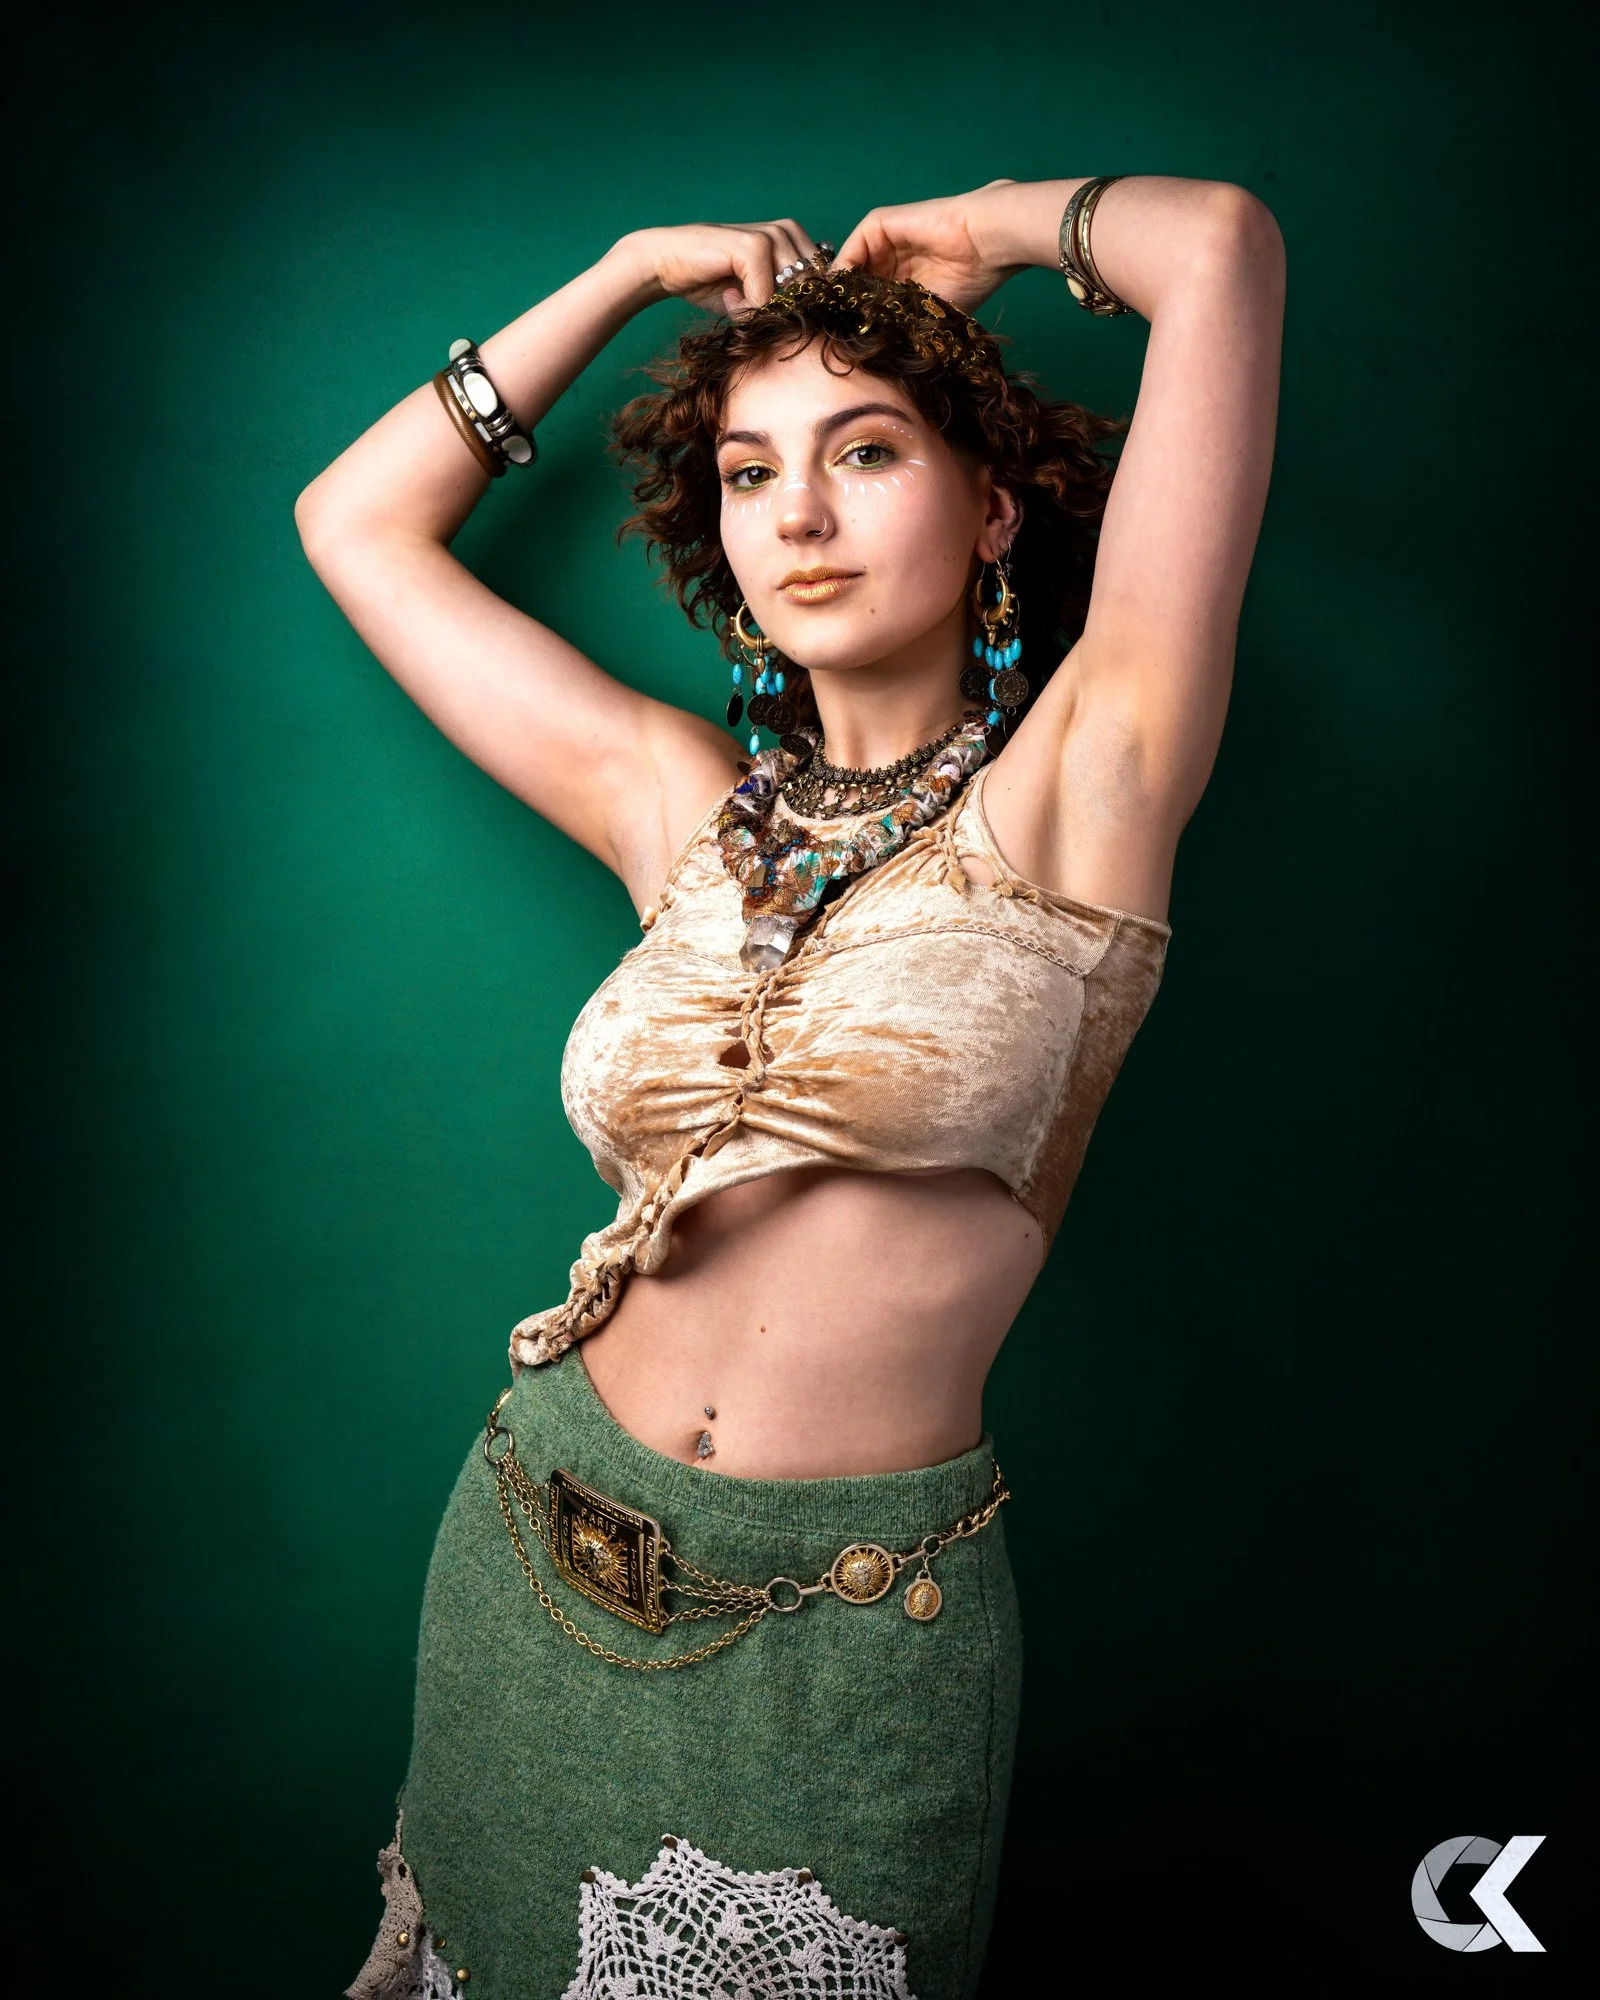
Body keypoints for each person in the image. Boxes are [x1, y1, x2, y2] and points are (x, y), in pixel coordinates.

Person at [295, 174, 1286, 2000]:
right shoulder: (677, 807)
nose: (801, 515)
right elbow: (354, 523)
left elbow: (1217, 246)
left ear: (993, 509)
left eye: (867, 453)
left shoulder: (1092, 774)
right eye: (751, 472)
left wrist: (987, 226)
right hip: (527, 1535)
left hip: (842, 1638)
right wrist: (622, 268)